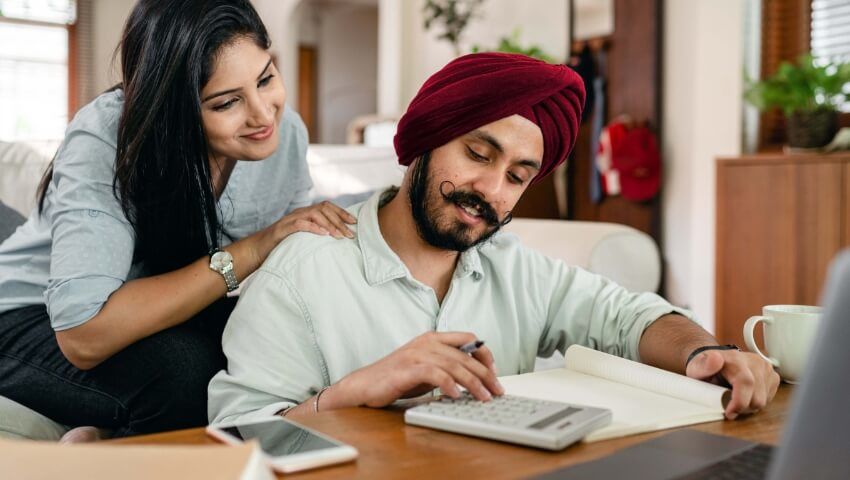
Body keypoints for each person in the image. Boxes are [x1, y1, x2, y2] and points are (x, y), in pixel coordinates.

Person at [208, 53, 780, 425]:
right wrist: (357, 389)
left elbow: (629, 318)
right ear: (427, 141)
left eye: (516, 176)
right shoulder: (302, 271)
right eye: (478, 154)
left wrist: (706, 352)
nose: (490, 189)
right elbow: (234, 434)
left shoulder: (513, 265)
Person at [0, 0, 355, 440]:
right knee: (185, 371)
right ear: (174, 109)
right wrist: (252, 248)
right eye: (227, 103)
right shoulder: (107, 137)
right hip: (28, 313)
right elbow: (83, 334)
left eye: (266, 78)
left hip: (154, 310)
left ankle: (103, 438)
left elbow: (290, 270)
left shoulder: (285, 135)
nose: (264, 115)